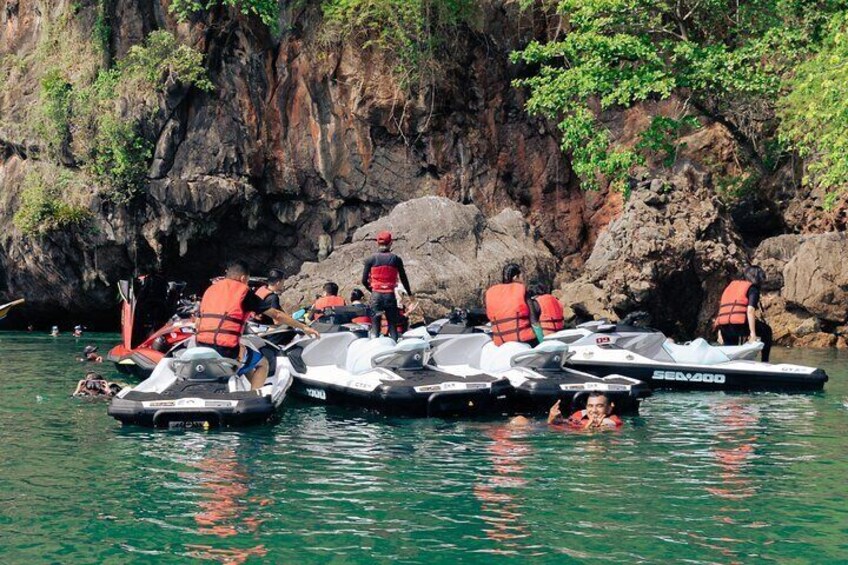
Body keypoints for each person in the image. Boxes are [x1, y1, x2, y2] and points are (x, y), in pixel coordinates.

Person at [196, 260, 319, 389]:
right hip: (226, 351)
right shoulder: (243, 292)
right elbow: (277, 315)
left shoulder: (210, 290)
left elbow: (199, 321)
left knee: (249, 357)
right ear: (243, 278)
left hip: (202, 345)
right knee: (263, 363)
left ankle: (248, 385)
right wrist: (304, 327)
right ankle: (254, 396)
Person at [714, 265, 773, 362]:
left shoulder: (730, 287)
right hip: (739, 325)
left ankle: (728, 367)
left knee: (730, 351)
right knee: (767, 331)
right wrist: (752, 333)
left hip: (724, 327)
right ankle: (765, 362)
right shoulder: (752, 289)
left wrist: (719, 331)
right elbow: (750, 310)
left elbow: (723, 309)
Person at [362, 231, 413, 341]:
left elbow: (364, 280)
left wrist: (372, 290)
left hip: (376, 295)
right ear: (391, 243)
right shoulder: (396, 259)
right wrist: (410, 294)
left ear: (377, 243)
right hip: (389, 295)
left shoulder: (370, 259)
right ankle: (394, 346)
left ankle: (374, 346)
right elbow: (403, 278)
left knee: (375, 325)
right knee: (392, 325)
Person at [485, 264, 542, 347]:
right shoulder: (521, 290)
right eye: (523, 276)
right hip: (524, 339)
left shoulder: (491, 292)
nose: (524, 279)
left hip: (500, 342)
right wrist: (542, 341)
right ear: (515, 277)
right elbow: (534, 321)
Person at [547, 393, 623, 430]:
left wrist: (591, 429)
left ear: (609, 408)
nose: (594, 410)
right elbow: (554, 427)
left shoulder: (613, 421)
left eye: (599, 406)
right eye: (590, 406)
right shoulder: (580, 414)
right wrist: (552, 419)